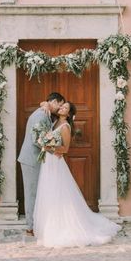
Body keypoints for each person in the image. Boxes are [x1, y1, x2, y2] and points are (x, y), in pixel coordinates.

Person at [33, 100, 121, 247]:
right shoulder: (54, 122)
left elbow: (65, 149)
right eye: (61, 106)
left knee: (58, 193)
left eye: (65, 107)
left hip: (55, 162)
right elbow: (44, 103)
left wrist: (47, 147)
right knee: (49, 192)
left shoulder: (65, 127)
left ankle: (64, 227)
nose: (61, 108)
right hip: (48, 162)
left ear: (69, 114)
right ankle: (50, 226)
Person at [17, 91, 65, 236]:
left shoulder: (45, 113)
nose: (60, 108)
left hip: (35, 159)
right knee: (31, 194)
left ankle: (36, 224)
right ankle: (30, 227)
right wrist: (55, 150)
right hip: (31, 160)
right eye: (60, 105)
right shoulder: (41, 115)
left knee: (36, 193)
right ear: (54, 102)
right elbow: (37, 140)